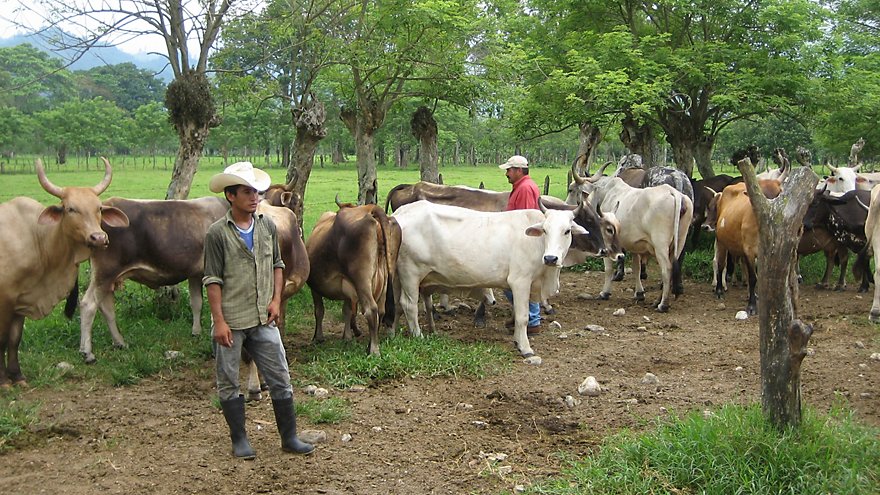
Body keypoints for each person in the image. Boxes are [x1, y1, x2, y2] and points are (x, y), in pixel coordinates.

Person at [203, 161, 314, 459]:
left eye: (256, 192)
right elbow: (212, 280)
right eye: (247, 192)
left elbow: (278, 265)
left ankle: (289, 437)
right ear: (231, 196)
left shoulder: (266, 226)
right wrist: (219, 322)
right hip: (232, 319)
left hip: (264, 318)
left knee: (280, 375)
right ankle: (239, 439)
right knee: (228, 380)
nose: (254, 197)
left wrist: (276, 300)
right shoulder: (217, 234)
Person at [499, 155, 542, 335]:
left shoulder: (524, 188)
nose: (506, 173)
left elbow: (523, 220)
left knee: (516, 282)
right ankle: (524, 315)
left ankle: (532, 319)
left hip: (522, 243)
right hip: (520, 242)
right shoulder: (523, 186)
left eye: (509, 170)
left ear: (518, 170)